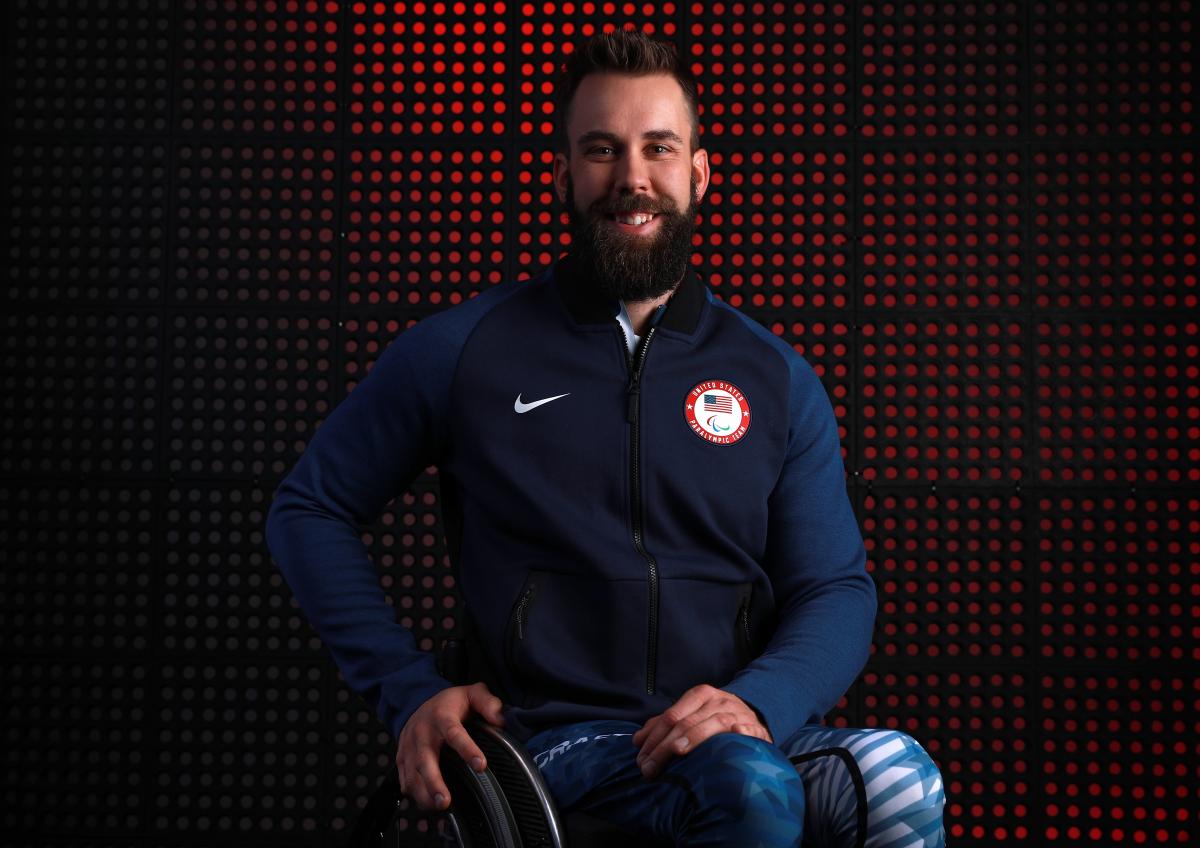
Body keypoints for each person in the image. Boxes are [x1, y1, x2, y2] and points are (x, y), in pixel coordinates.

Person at [266, 28, 946, 847]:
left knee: (899, 779)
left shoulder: (775, 377)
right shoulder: (462, 351)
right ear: (563, 174)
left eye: (659, 148)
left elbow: (837, 588)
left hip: (735, 736)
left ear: (697, 173)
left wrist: (758, 702)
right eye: (601, 150)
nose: (632, 178)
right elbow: (309, 509)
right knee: (747, 787)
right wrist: (406, 690)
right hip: (552, 745)